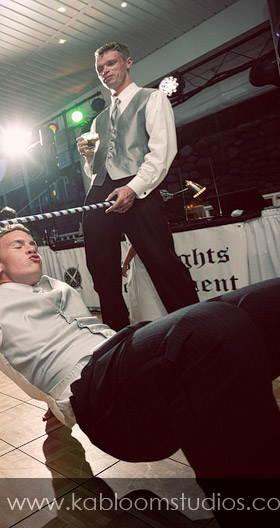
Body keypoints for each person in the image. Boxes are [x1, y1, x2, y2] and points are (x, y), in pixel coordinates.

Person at [0, 225, 280, 526]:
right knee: (207, 326)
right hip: (100, 398)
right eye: (18, 245)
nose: (32, 248)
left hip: (131, 361)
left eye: (33, 243)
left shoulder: (61, 288)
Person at [76, 41, 198, 331]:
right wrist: (89, 157)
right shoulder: (98, 120)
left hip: (138, 187)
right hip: (100, 192)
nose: (105, 71)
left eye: (111, 64)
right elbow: (96, 169)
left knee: (162, 263)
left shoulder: (152, 98)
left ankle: (197, 326)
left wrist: (133, 188)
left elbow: (162, 151)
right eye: (100, 68)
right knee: (102, 272)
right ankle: (118, 336)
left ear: (128, 62)